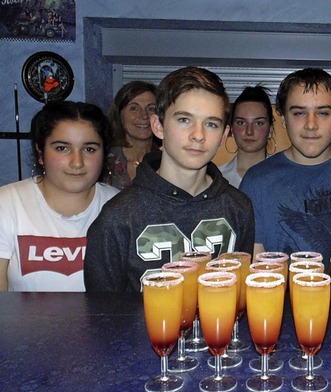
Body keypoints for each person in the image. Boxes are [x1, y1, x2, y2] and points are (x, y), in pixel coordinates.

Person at [84, 67, 255, 292]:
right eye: (184, 120)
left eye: (211, 124)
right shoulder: (117, 218)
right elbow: (101, 316)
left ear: (224, 135)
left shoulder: (239, 208)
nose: (198, 135)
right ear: (158, 126)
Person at [240, 68, 331, 271]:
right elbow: (254, 269)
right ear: (283, 119)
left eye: (323, 113)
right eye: (299, 113)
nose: (311, 125)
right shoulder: (257, 181)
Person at [0, 101, 119, 292]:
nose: (77, 162)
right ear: (40, 153)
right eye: (62, 148)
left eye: (89, 149)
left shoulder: (122, 207)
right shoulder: (6, 204)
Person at [219, 85, 276, 188]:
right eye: (241, 122)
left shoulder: (285, 177)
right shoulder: (217, 179)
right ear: (231, 128)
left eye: (258, 123)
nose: (249, 131)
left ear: (270, 129)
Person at [105, 81, 159, 190]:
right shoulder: (104, 162)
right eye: (134, 108)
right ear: (119, 115)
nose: (144, 116)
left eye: (151, 109)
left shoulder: (170, 161)